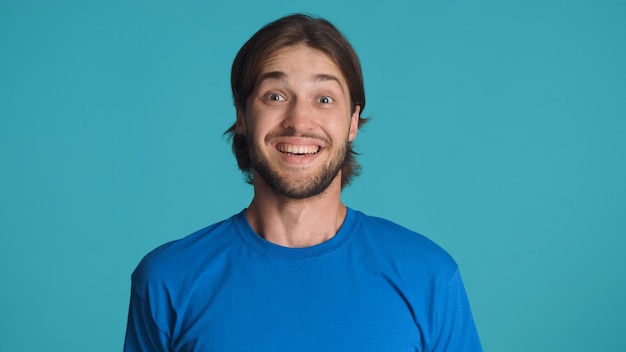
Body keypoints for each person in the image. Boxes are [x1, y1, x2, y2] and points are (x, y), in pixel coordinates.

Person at [124, 13, 483, 351]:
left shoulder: (429, 276)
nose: (299, 121)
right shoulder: (167, 280)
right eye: (275, 96)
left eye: (324, 99)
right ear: (243, 116)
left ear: (353, 122)